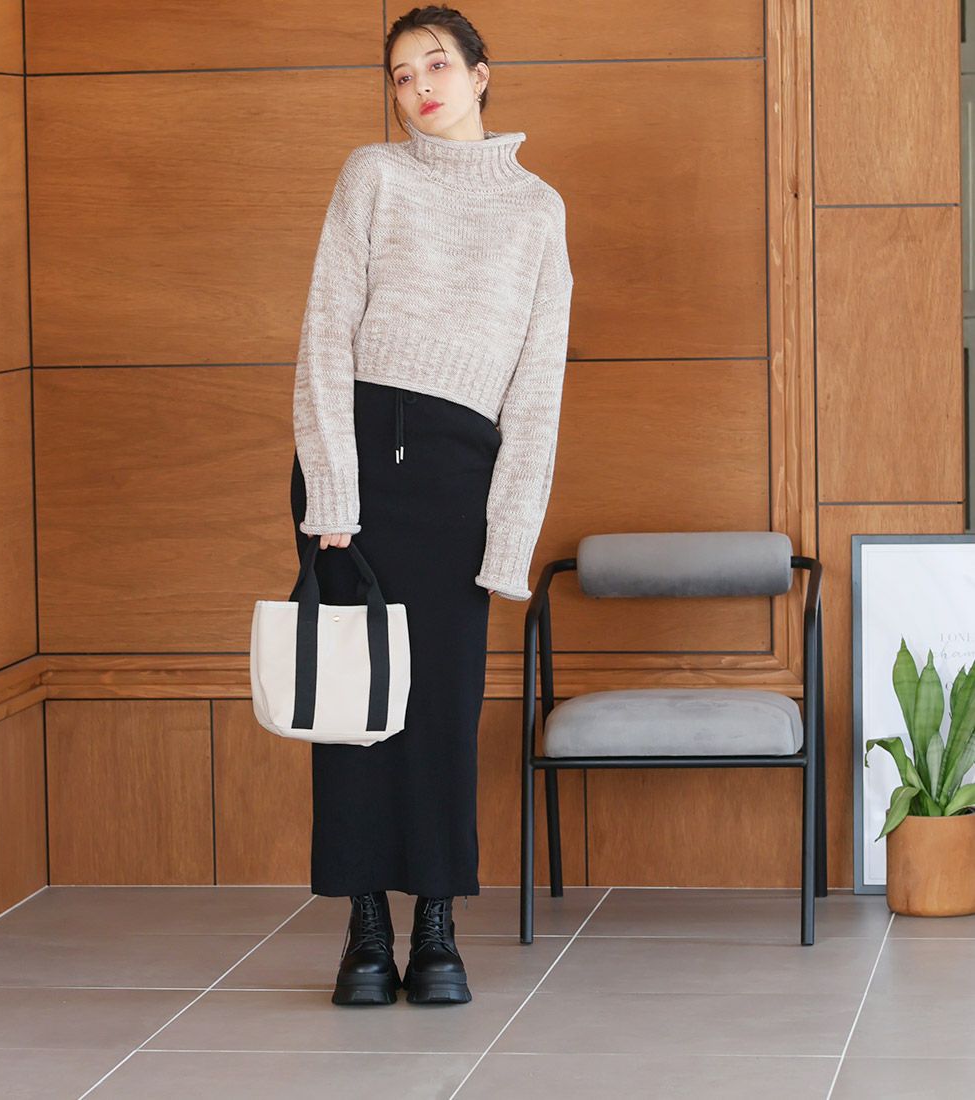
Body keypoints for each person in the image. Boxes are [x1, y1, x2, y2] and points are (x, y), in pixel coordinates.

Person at [289, 4, 573, 1007]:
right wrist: (332, 490)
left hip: (461, 479)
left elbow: (536, 386)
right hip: (357, 465)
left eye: (437, 65)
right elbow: (325, 332)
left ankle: (438, 926)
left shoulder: (537, 210)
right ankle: (366, 927)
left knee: (443, 709)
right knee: (352, 709)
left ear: (481, 73)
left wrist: (510, 535)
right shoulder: (372, 175)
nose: (419, 88)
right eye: (403, 75)